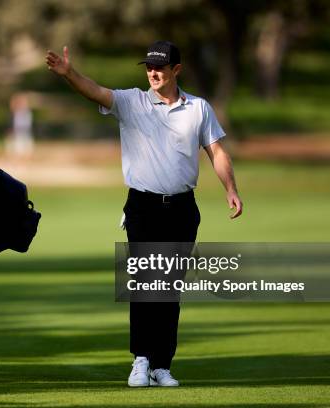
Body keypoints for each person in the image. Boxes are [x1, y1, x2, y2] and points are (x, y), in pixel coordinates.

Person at [46, 41, 243, 387]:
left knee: (169, 289)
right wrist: (68, 73)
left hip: (182, 209)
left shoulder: (198, 108)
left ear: (176, 70)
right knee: (145, 285)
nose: (153, 73)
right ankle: (141, 359)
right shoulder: (131, 102)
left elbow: (217, 151)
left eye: (161, 68)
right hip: (143, 207)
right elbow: (94, 92)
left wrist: (231, 189)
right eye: (149, 67)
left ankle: (161, 365)